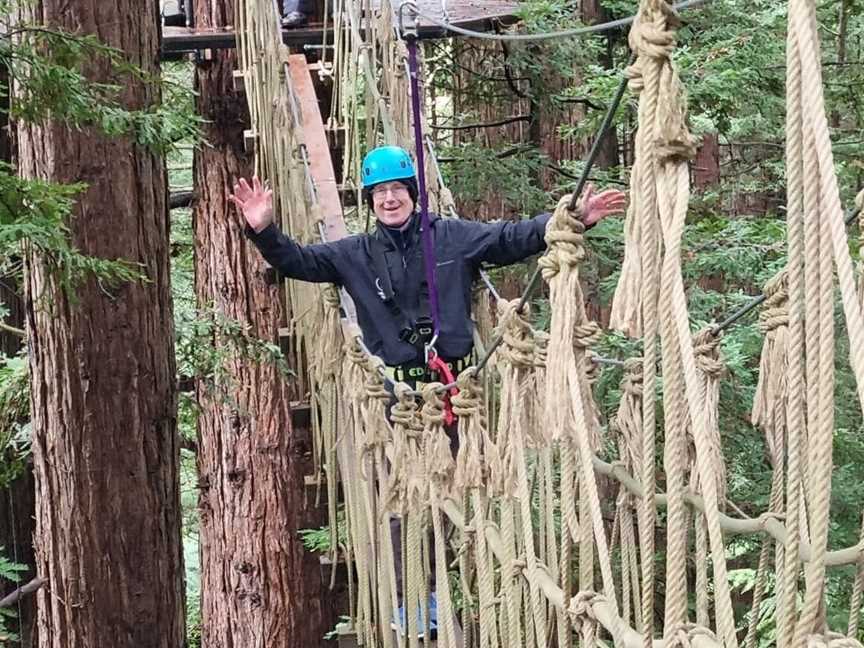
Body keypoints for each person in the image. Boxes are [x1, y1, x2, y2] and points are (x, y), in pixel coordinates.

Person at [230, 144, 626, 637]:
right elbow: (298, 262)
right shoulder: (354, 254)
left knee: (462, 490)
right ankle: (415, 600)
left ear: (413, 194)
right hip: (400, 399)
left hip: (455, 392)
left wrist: (573, 219)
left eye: (397, 189)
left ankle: (469, 586)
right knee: (404, 499)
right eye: (380, 193)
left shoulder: (453, 238)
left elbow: (509, 238)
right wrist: (263, 228)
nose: (389, 199)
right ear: (371, 201)